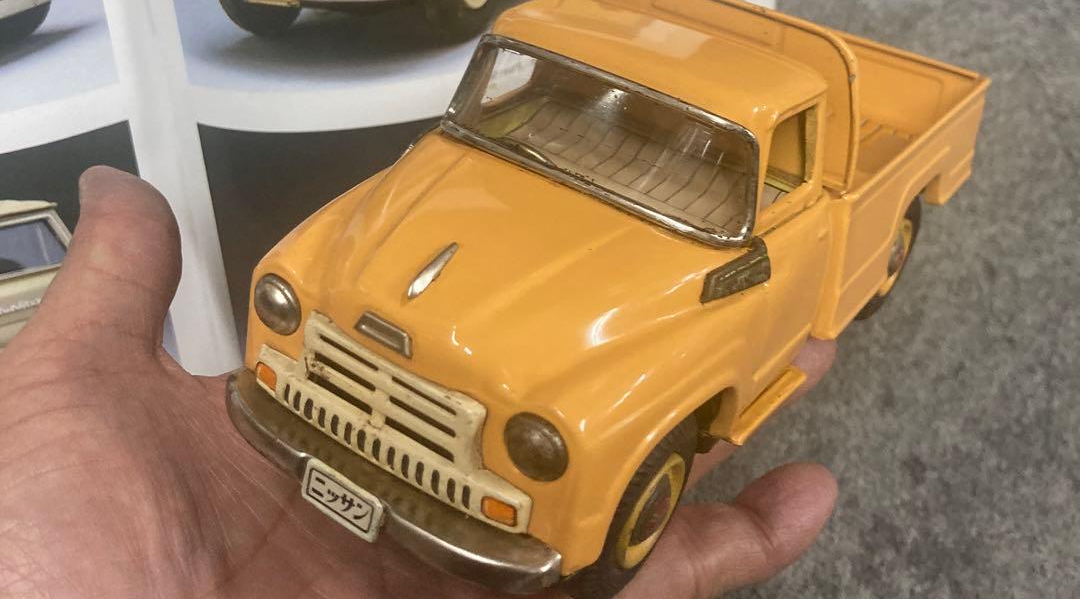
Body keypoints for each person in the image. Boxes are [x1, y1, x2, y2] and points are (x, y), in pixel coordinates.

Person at [0, 167, 838, 597]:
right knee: (305, 275)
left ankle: (576, 518)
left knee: (573, 427)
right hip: (345, 417)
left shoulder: (754, 235)